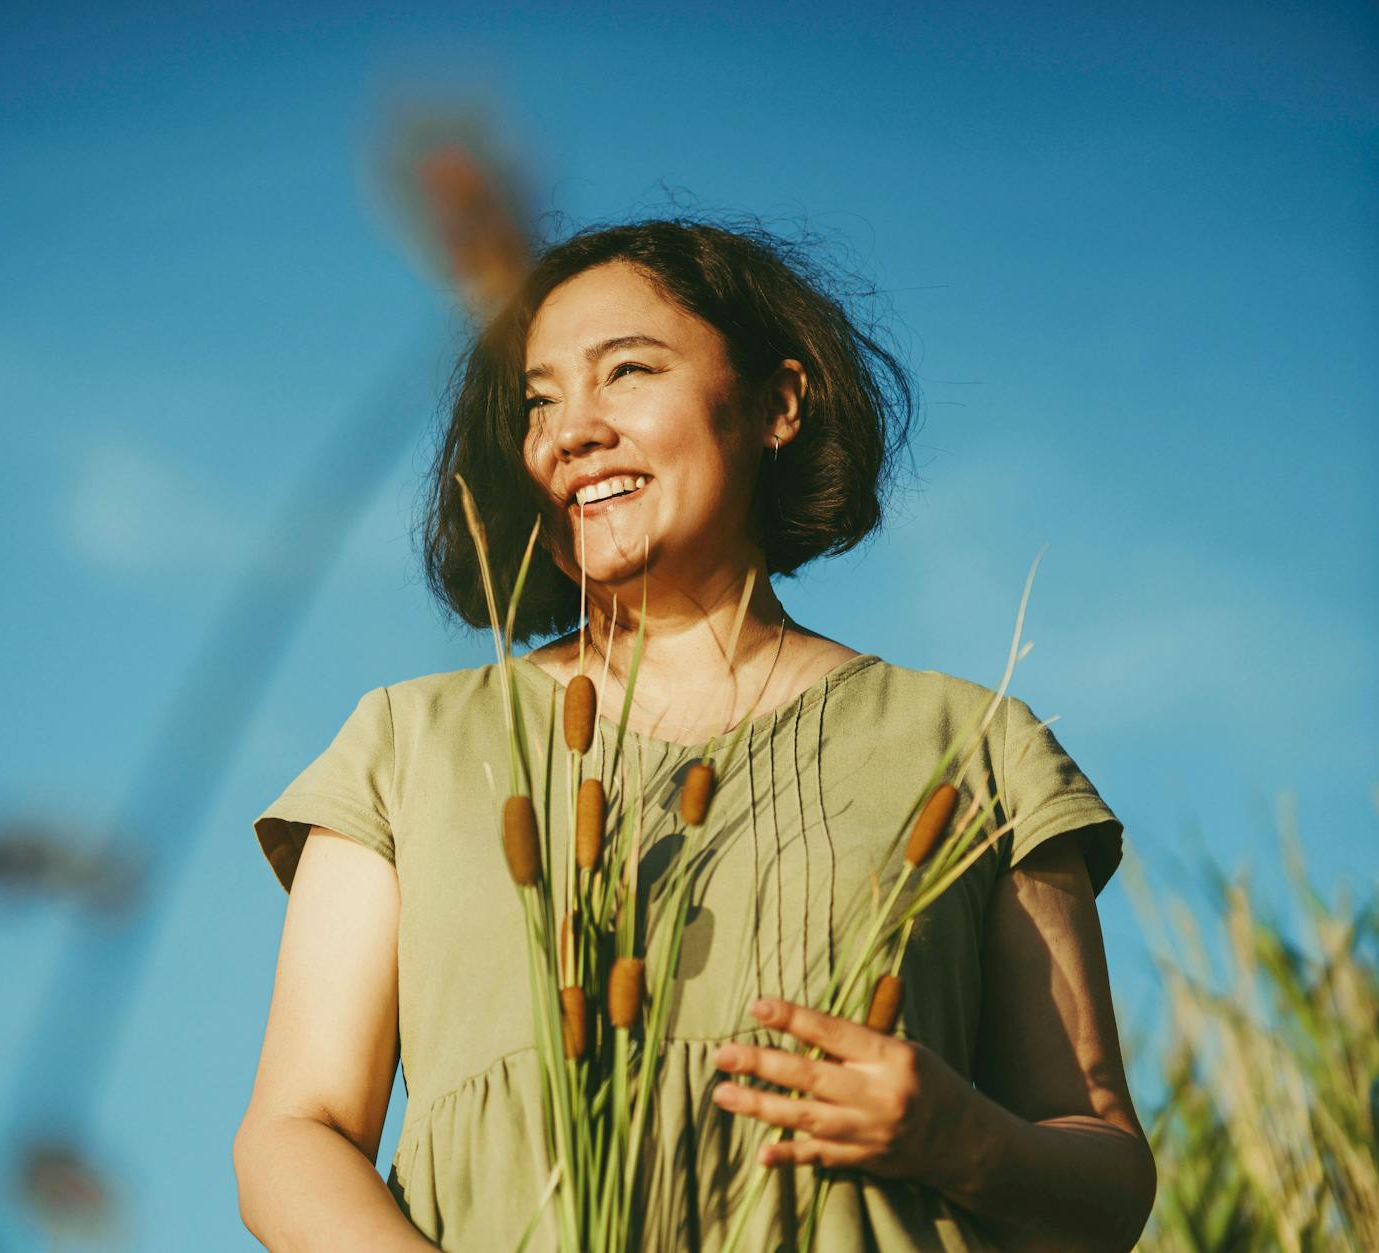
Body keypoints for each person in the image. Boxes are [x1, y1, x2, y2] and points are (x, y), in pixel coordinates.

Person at [232, 220, 1155, 1251]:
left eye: (624, 371)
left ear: (778, 403)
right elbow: (292, 1130)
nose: (567, 431)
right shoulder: (409, 741)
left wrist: (957, 1136)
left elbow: (1106, 1174)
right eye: (538, 400)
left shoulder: (970, 745)